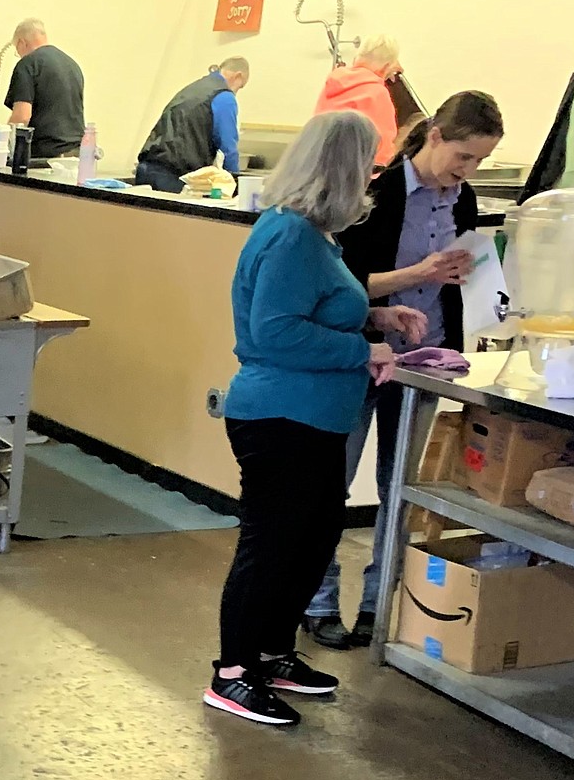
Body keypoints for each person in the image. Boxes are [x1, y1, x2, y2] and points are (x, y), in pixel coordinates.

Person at [203, 112, 426, 728]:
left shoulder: (316, 236)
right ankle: (233, 673)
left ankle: (273, 653)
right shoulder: (292, 236)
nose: (375, 176)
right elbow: (276, 333)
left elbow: (316, 310)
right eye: (370, 164)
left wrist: (380, 320)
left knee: (314, 537)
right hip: (280, 416)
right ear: (345, 168)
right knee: (272, 545)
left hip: (317, 418)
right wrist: (365, 351)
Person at [302, 90, 505, 650]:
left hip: (426, 357)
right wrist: (421, 270)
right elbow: (345, 283)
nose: (467, 172)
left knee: (400, 486)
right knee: (331, 484)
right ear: (435, 136)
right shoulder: (377, 195)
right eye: (463, 157)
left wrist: (476, 283)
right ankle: (317, 600)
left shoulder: (462, 201)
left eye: (480, 162)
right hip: (362, 353)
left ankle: (377, 602)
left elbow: (460, 281)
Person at [136, 57, 249, 193]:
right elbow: (228, 147)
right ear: (238, 76)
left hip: (148, 167)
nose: (236, 92)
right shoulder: (224, 96)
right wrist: (234, 184)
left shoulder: (193, 89)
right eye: (240, 86)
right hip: (176, 175)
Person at [313, 35, 403, 168]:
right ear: (387, 66)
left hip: (319, 163)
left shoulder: (333, 81)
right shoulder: (377, 92)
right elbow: (382, 147)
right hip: (355, 172)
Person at [4, 18, 85, 158]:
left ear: (21, 43)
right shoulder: (73, 65)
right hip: (77, 154)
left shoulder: (28, 64)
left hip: (45, 155)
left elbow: (22, 117)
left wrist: (1, 142)